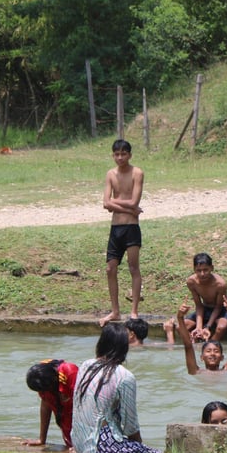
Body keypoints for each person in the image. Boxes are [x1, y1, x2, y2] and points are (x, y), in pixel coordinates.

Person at [71, 323, 162, 453]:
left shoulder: (85, 365)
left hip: (78, 444)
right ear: (124, 348)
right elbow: (130, 426)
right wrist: (139, 448)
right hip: (98, 448)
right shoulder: (124, 376)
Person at [99, 139, 144, 327]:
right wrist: (130, 209)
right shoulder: (111, 174)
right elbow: (105, 203)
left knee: (133, 268)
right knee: (110, 268)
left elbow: (134, 200)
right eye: (116, 154)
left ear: (129, 155)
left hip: (131, 228)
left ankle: (133, 311)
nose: (120, 157)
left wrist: (118, 204)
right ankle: (115, 311)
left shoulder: (137, 173)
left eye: (123, 154)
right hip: (115, 228)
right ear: (113, 155)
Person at [22, 359, 79, 449]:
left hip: (79, 423)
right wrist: (42, 439)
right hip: (66, 424)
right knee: (70, 444)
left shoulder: (69, 372)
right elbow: (46, 404)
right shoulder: (41, 378)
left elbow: (85, 405)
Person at [176, 298, 227, 375]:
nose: (212, 354)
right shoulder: (195, 371)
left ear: (222, 357)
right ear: (201, 357)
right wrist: (180, 318)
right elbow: (188, 346)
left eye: (216, 351)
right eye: (208, 351)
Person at [184, 253, 227, 341]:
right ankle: (194, 344)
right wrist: (198, 327)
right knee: (181, 327)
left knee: (221, 327)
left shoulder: (220, 284)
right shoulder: (191, 282)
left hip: (222, 310)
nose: (202, 274)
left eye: (206, 270)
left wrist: (207, 326)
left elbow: (218, 307)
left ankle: (211, 345)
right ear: (194, 269)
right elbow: (198, 305)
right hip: (205, 309)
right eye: (199, 270)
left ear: (212, 268)